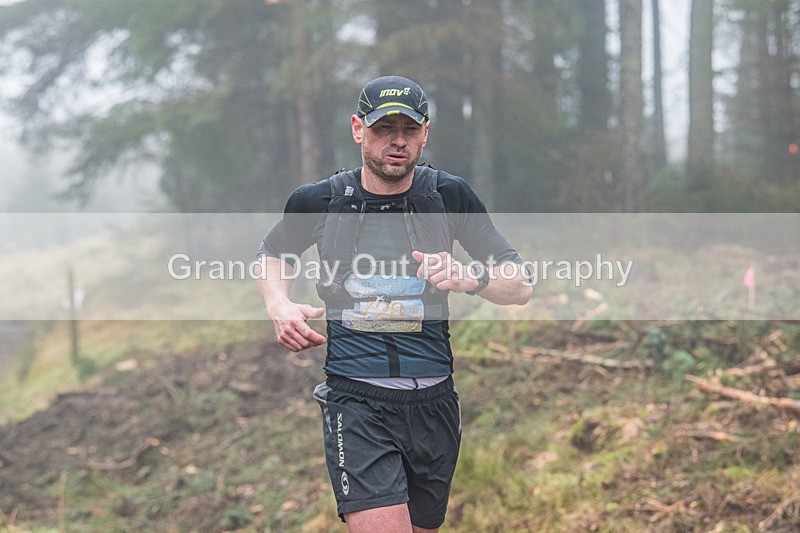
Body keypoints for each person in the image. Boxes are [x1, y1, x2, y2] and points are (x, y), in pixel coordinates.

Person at [255, 75, 532, 532]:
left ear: (425, 134)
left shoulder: (448, 196)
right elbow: (273, 252)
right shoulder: (321, 200)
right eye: (384, 128)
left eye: (409, 129)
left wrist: (471, 278)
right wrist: (278, 304)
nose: (397, 141)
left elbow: (520, 284)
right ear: (357, 129)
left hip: (435, 406)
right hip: (357, 403)